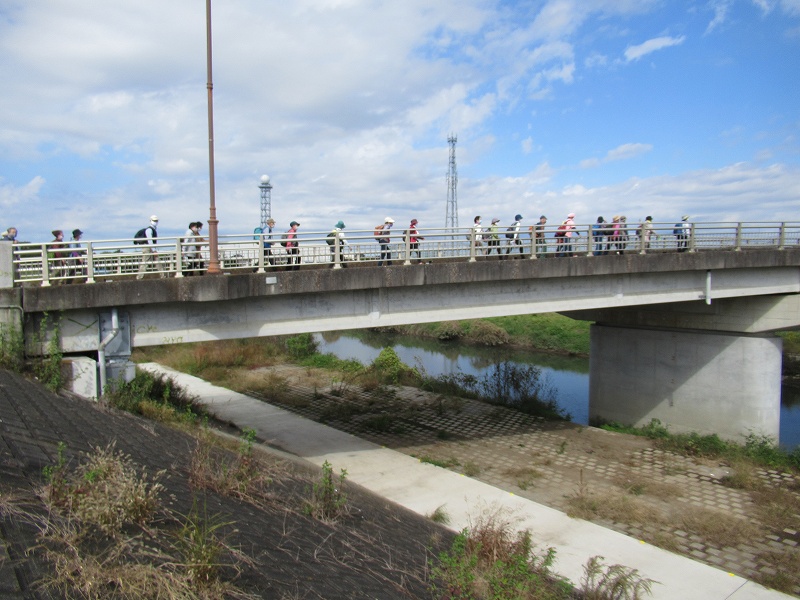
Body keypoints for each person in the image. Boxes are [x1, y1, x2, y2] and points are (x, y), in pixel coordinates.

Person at [136, 215, 161, 279]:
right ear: (150, 221)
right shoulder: (149, 230)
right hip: (148, 247)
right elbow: (150, 240)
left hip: (149, 247)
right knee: (146, 262)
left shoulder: (152, 229)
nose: (155, 222)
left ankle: (163, 275)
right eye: (154, 220)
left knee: (155, 261)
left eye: (156, 221)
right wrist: (154, 250)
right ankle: (139, 277)